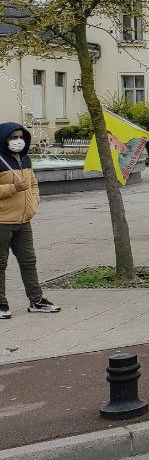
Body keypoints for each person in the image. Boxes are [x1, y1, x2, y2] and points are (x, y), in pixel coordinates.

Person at [0, 122, 61, 318]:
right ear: (4, 140)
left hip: (23, 222)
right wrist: (13, 188)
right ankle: (1, 304)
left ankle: (36, 300)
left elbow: (33, 184)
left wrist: (34, 202)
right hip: (2, 222)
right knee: (0, 264)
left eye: (20, 137)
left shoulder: (25, 159)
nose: (18, 141)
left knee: (29, 262)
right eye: (13, 137)